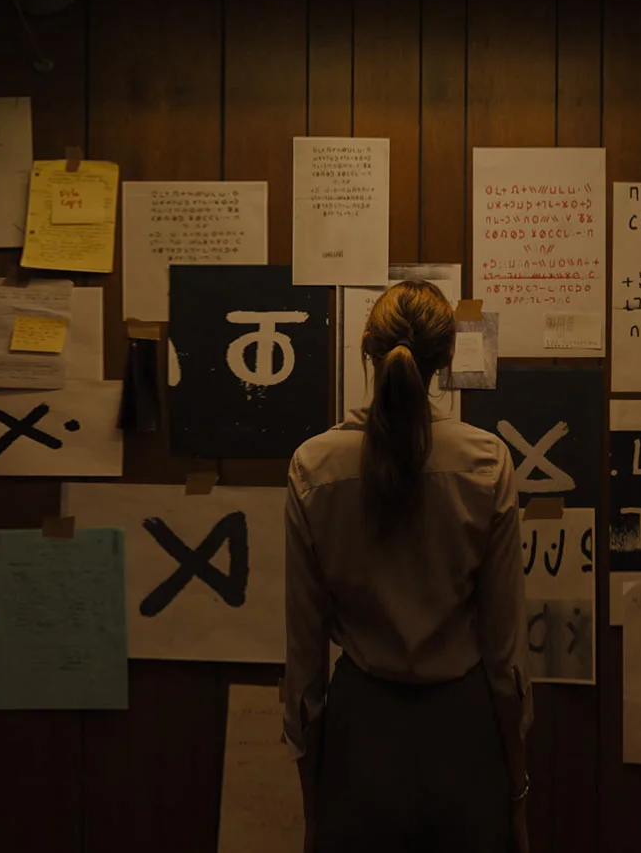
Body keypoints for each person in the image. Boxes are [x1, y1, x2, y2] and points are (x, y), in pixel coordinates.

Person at [283, 280, 532, 853]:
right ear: (447, 359)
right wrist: (517, 791)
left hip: (360, 735)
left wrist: (312, 808)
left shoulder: (313, 466)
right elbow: (505, 656)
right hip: (464, 732)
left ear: (367, 346)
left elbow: (304, 662)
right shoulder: (486, 462)